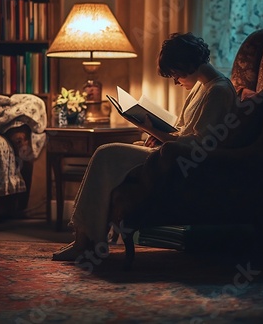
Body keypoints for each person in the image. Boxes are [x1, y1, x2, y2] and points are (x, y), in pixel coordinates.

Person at [52, 32, 238, 261]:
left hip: (183, 161)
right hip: (171, 152)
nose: (176, 81)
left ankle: (86, 242)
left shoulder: (218, 91)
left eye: (175, 74)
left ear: (184, 64)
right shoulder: (202, 86)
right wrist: (158, 135)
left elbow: (197, 144)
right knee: (109, 158)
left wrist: (149, 128)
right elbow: (182, 129)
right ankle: (86, 239)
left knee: (105, 153)